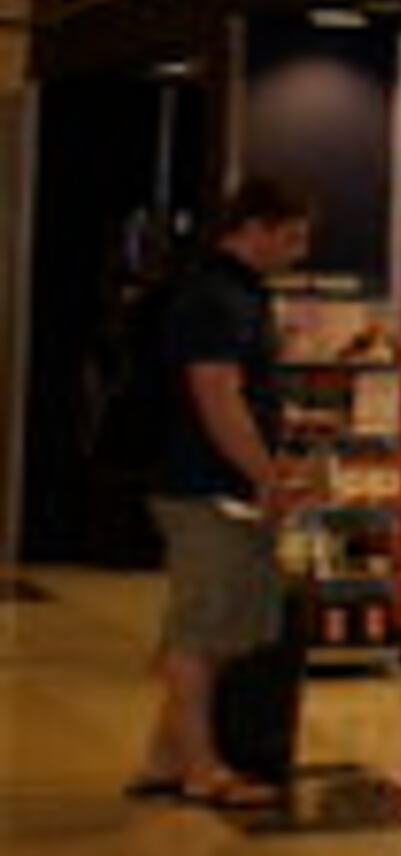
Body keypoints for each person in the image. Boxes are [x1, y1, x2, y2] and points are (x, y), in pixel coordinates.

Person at [131, 175, 315, 812]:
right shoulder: (215, 298)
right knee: (201, 632)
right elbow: (218, 397)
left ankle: (165, 758)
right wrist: (266, 476)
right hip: (205, 487)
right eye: (290, 237)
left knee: (211, 623)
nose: (298, 251)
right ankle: (201, 770)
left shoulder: (234, 293)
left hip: (213, 482)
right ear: (254, 228)